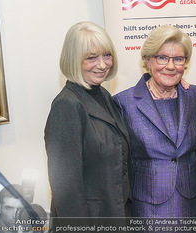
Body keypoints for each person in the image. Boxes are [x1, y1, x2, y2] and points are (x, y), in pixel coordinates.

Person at [44, 22, 131, 229]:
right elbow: (66, 190)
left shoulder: (102, 95)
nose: (102, 65)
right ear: (73, 60)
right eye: (91, 57)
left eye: (107, 55)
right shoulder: (67, 105)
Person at [113, 25, 196, 218]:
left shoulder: (193, 94)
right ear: (147, 60)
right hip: (148, 209)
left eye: (178, 59)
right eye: (162, 57)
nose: (170, 66)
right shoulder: (124, 102)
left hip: (192, 204)